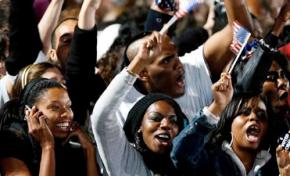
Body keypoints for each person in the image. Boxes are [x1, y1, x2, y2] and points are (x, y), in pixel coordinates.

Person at [90, 32, 233, 175]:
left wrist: (218, 107)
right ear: (139, 127)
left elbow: (188, 144)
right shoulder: (126, 163)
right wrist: (138, 63)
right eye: (155, 118)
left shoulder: (188, 165)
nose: (165, 125)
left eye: (174, 121)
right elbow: (101, 117)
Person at [117, 0, 253, 123]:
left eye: (176, 55)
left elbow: (239, 31)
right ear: (142, 73)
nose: (179, 64)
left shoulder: (191, 67)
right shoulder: (121, 108)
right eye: (167, 60)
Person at [171, 93, 290, 176]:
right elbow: (179, 155)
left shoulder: (274, 167)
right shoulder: (208, 159)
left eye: (261, 115)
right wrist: (216, 108)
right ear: (229, 124)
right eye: (245, 113)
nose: (254, 117)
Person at [0, 78, 99, 176]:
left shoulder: (69, 144)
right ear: (29, 112)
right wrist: (47, 146)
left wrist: (89, 149)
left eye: (69, 106)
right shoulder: (12, 144)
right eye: (55, 107)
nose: (67, 114)